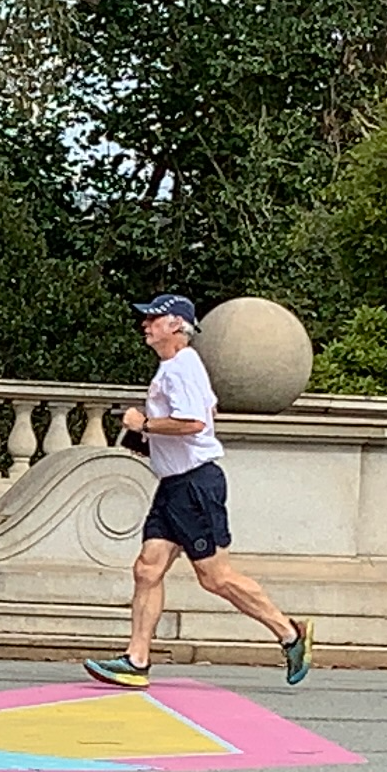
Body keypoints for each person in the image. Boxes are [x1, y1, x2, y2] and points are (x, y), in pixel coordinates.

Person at [83, 293, 311, 689]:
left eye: (154, 319)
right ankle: (136, 660)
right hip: (176, 485)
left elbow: (193, 424)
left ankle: (290, 634)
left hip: (194, 484)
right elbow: (209, 410)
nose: (146, 325)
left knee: (215, 578)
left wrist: (144, 425)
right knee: (147, 569)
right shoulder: (178, 367)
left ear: (176, 326)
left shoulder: (181, 367)